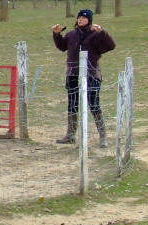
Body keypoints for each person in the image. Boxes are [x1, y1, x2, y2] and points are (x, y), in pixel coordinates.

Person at [52, 9, 116, 147]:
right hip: (73, 74)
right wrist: (57, 34)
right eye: (79, 17)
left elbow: (111, 46)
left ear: (89, 20)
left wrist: (102, 32)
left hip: (91, 74)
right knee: (72, 105)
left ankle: (103, 137)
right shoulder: (71, 34)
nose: (80, 20)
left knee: (93, 105)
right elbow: (62, 46)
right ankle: (70, 135)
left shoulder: (96, 35)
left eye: (84, 18)